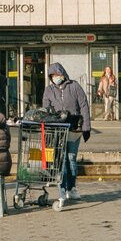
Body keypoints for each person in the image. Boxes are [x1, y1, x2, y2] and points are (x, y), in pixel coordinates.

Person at [42, 63, 92, 202]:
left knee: (71, 159)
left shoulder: (74, 86)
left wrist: (86, 127)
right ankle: (62, 188)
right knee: (62, 160)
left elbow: (83, 105)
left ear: (62, 74)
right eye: (52, 76)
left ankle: (72, 187)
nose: (55, 78)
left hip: (74, 128)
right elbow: (46, 107)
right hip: (58, 129)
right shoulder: (49, 90)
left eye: (56, 75)